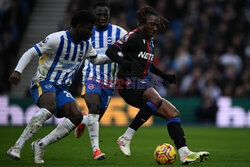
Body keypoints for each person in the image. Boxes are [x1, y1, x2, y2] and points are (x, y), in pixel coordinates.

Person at [105, 6, 209, 165]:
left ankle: (185, 154)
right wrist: (122, 61)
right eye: (152, 24)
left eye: (156, 25)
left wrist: (165, 76)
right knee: (155, 98)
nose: (155, 28)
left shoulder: (150, 41)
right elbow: (111, 51)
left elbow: (148, 64)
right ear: (142, 23)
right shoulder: (132, 37)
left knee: (173, 113)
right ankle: (125, 137)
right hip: (127, 83)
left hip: (140, 84)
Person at [6, 10, 108, 164]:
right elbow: (30, 52)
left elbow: (96, 60)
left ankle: (41, 144)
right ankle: (17, 146)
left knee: (76, 116)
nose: (92, 32)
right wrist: (17, 71)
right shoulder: (56, 39)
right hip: (43, 81)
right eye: (89, 28)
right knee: (49, 107)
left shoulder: (86, 45)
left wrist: (115, 57)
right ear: (79, 27)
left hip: (61, 88)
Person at [74, 1, 127, 160]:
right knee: (94, 107)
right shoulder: (86, 33)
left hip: (110, 81)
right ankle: (96, 150)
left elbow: (133, 45)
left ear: (109, 14)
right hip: (91, 75)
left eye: (105, 14)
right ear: (93, 15)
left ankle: (82, 120)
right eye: (99, 14)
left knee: (95, 116)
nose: (103, 17)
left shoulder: (120, 32)